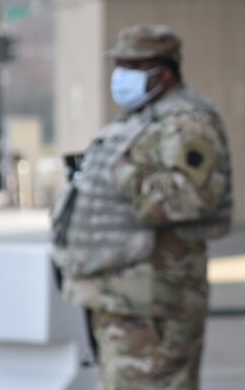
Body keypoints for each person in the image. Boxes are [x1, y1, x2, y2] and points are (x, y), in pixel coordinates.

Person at [51, 24, 232, 390]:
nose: (121, 76)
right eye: (120, 65)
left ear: (164, 72)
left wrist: (125, 174)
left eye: (133, 67)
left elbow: (198, 197)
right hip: (125, 298)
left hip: (155, 303)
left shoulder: (187, 121)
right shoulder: (144, 118)